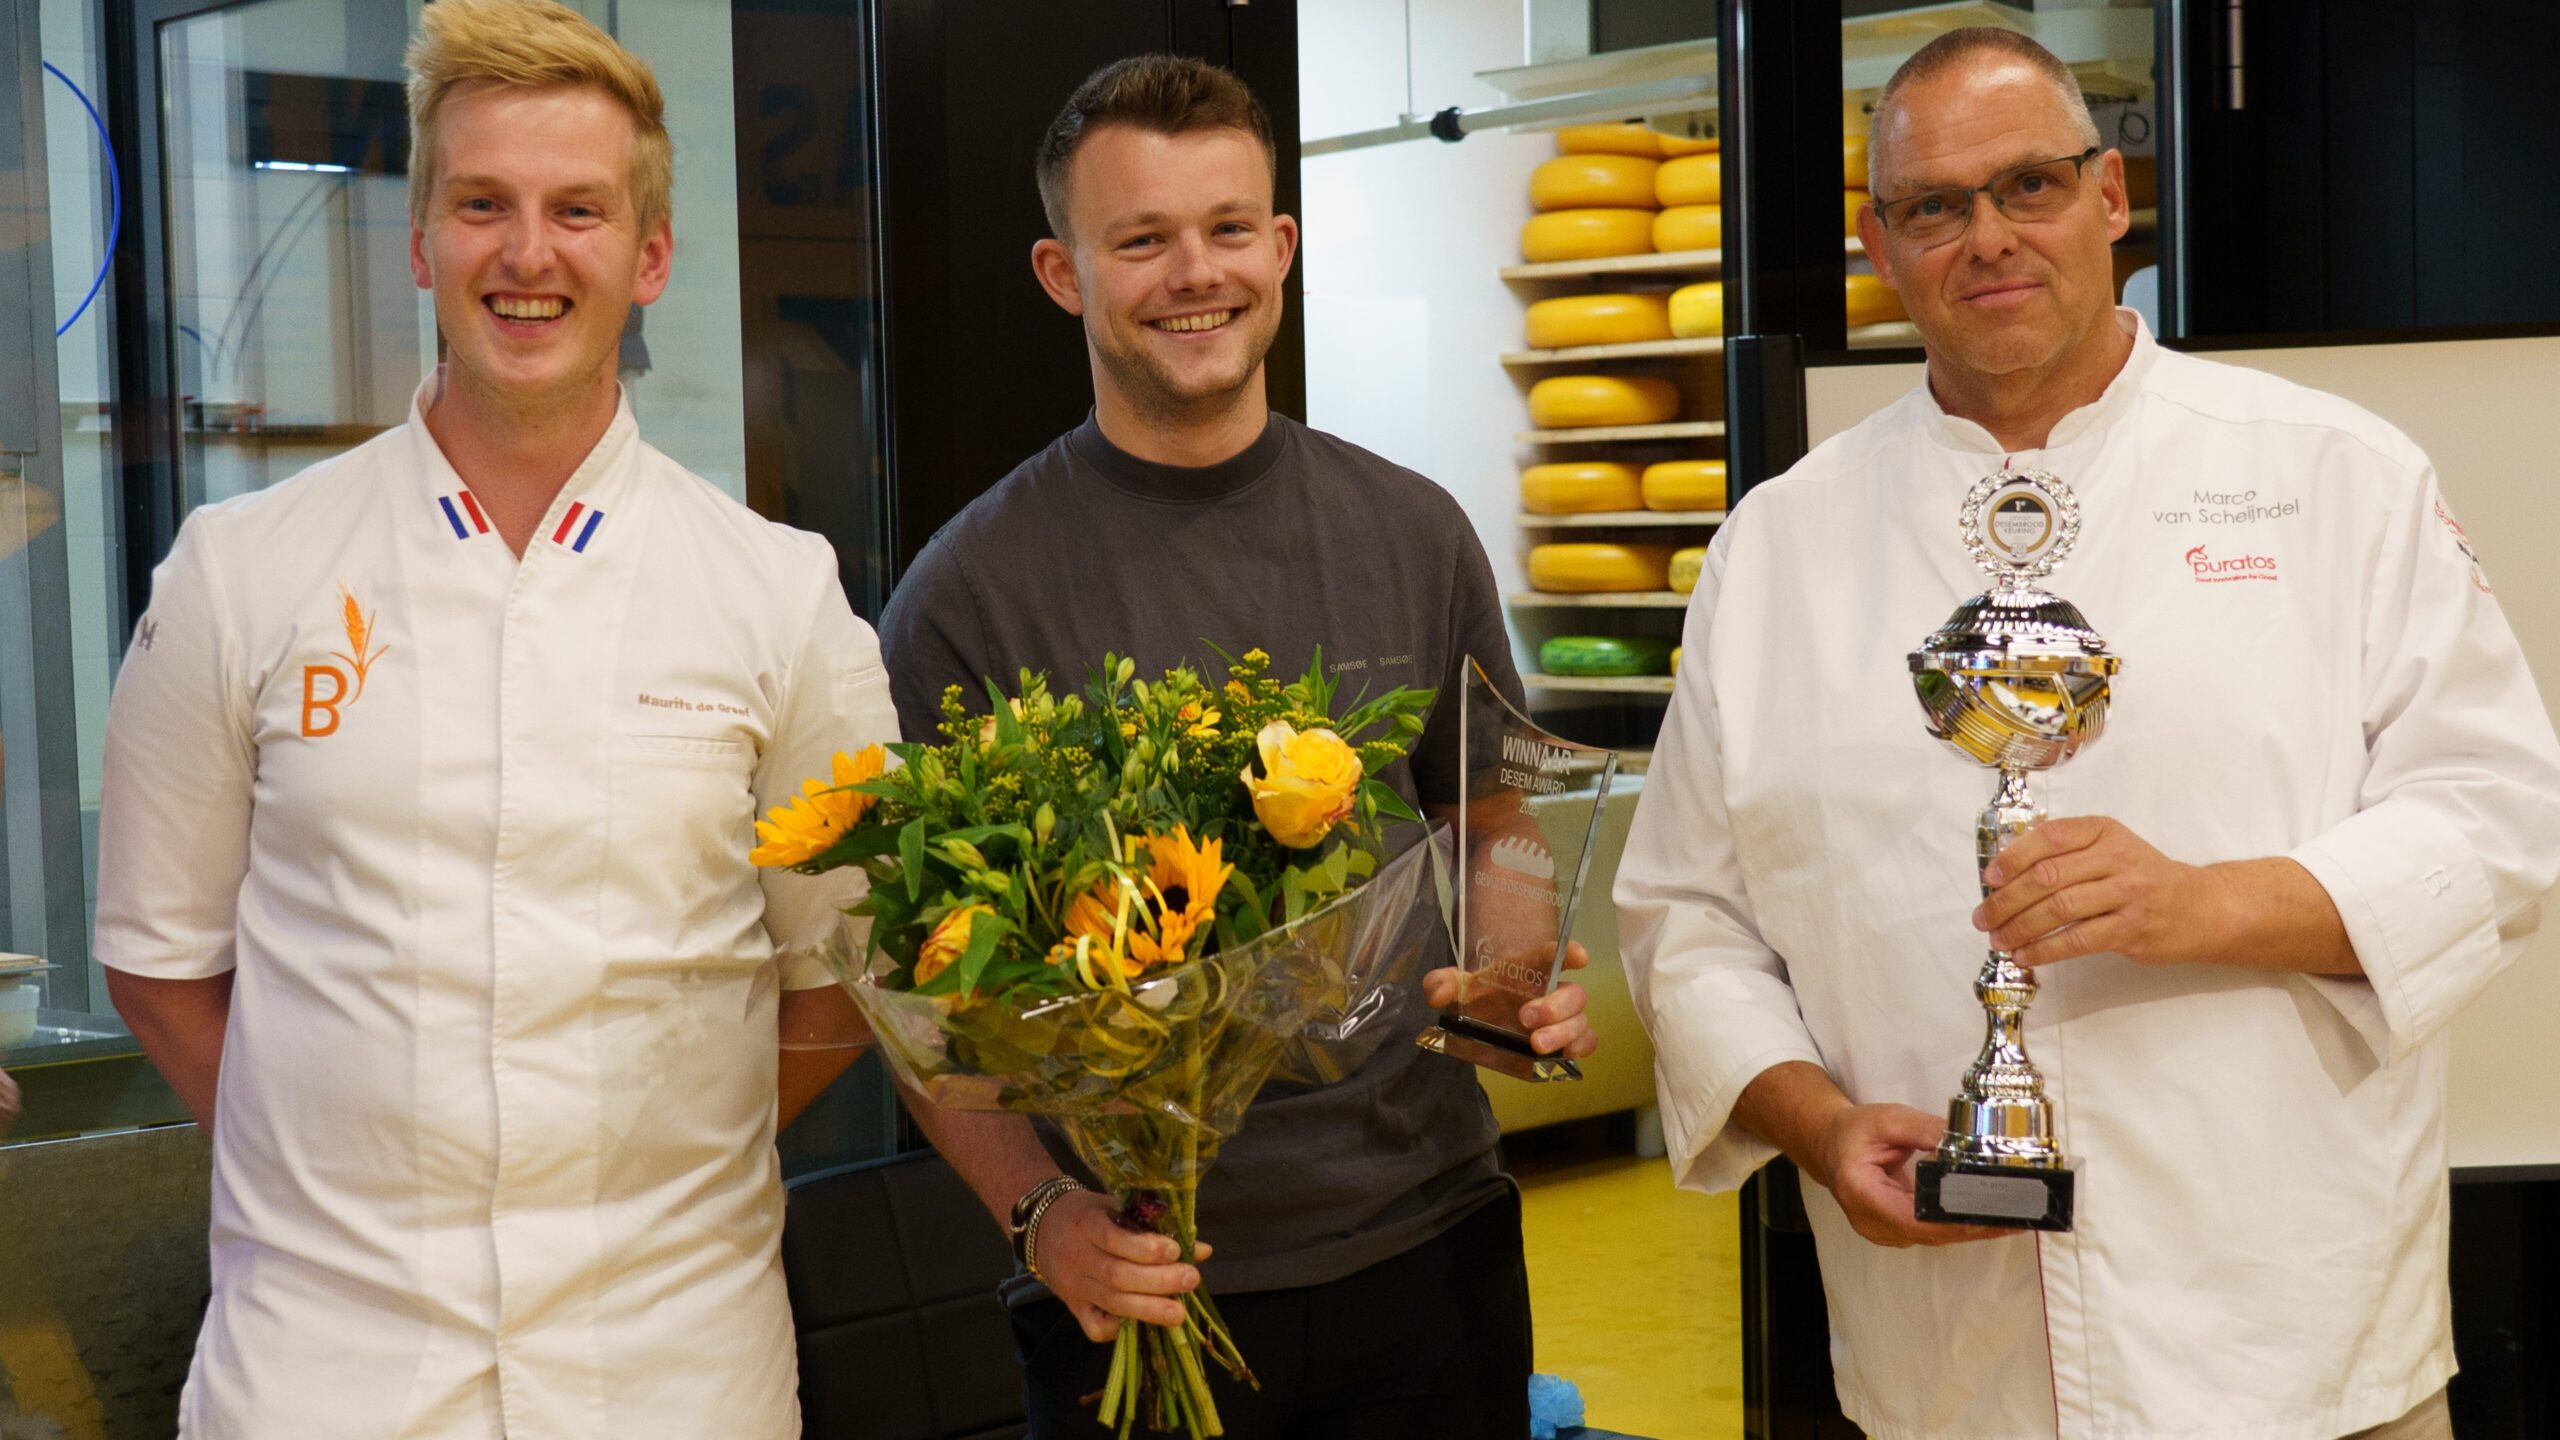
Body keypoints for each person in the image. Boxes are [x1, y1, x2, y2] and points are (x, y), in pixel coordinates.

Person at [1617, 27, 2560, 1440]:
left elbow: (2500, 821)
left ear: (2112, 196)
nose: (1986, 238)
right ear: (1882, 244)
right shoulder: (1779, 546)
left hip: (2293, 1347)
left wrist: (2206, 902)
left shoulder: (2331, 472)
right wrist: (1812, 1122)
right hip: (1947, 1363)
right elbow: (1684, 914)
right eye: (1935, 206)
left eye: (2030, 186)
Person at [92, 2, 893, 1434]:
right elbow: (160, 962)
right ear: (420, 242)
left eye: (578, 210)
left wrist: (638, 1165)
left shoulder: (778, 596)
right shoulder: (241, 573)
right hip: (323, 1372)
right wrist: (333, 1170)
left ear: (648, 256)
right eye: (483, 206)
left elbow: (841, 974)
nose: (529, 254)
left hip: (672, 1370)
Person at [877, 54, 1598, 1438]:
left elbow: (1489, 817)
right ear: (1061, 272)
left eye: (1225, 230)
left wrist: (1510, 982)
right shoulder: (969, 593)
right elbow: (913, 985)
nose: (1192, 273)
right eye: (1139, 239)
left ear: (1282, 248)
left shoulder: (1412, 527)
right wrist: (1040, 1215)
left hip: (1430, 1246)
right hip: (1136, 1283)